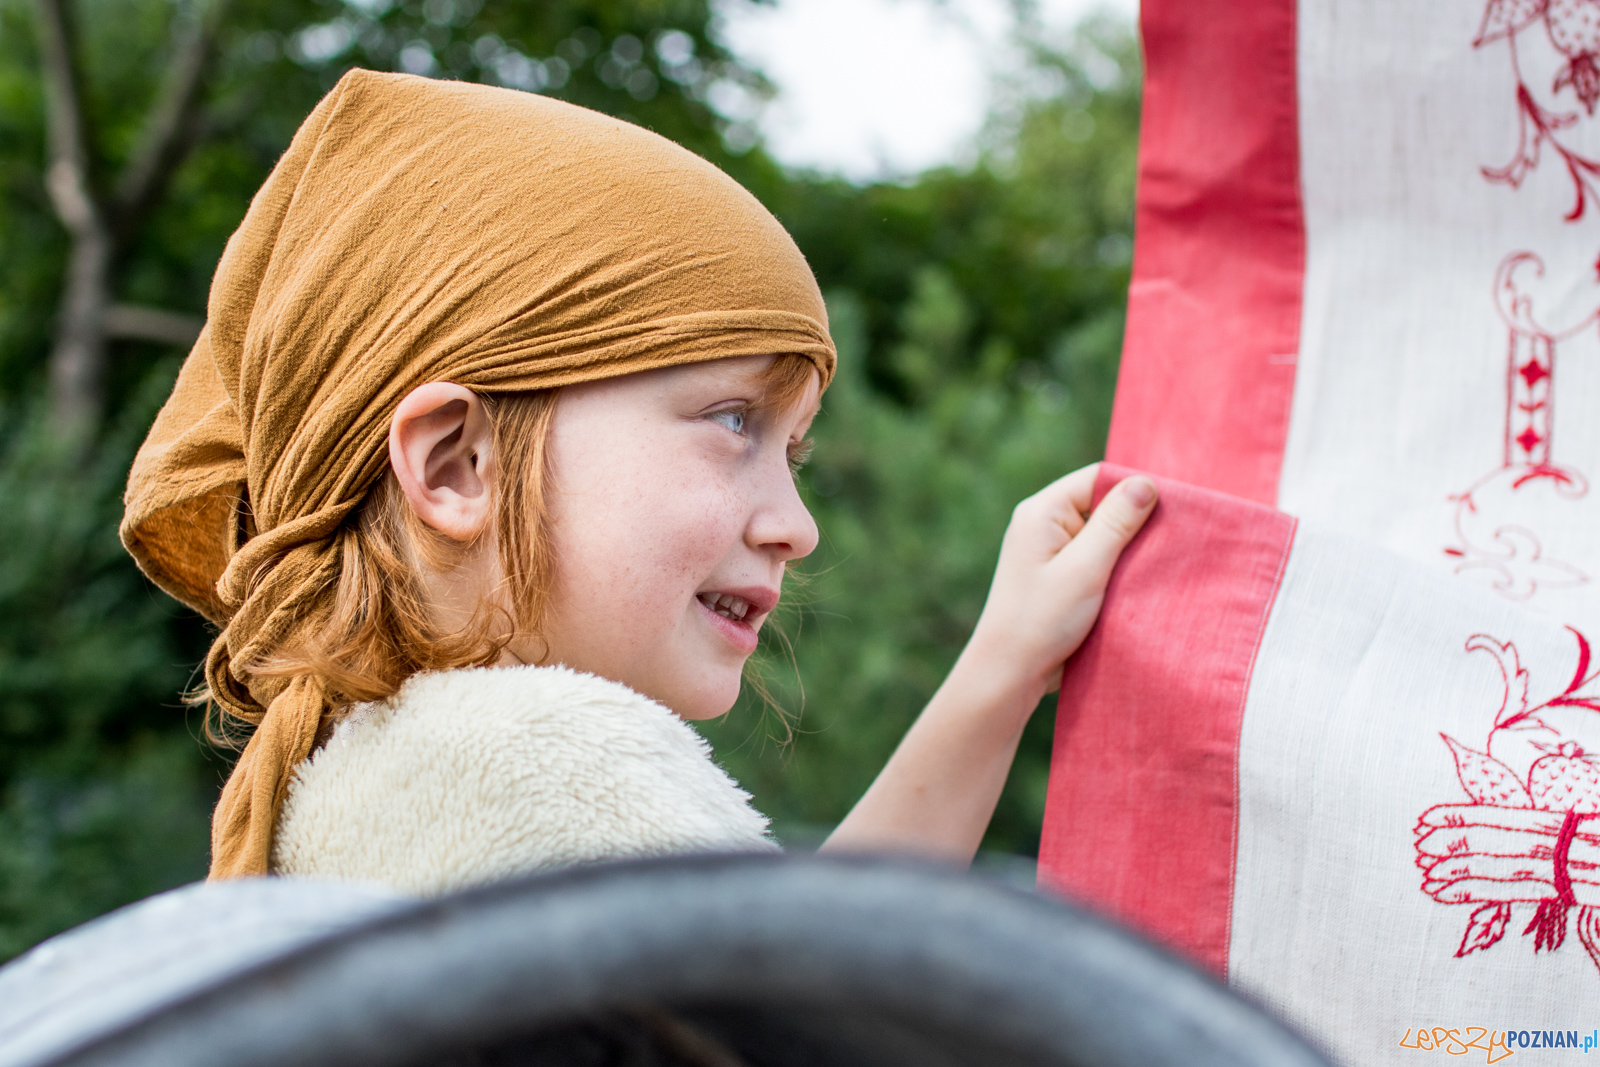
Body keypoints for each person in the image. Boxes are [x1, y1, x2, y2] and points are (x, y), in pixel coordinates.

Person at [120, 69, 1157, 896]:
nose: (796, 526)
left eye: (792, 452)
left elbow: (808, 969)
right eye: (733, 420)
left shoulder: (395, 771)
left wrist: (1003, 668)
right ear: (456, 463)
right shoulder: (541, 766)